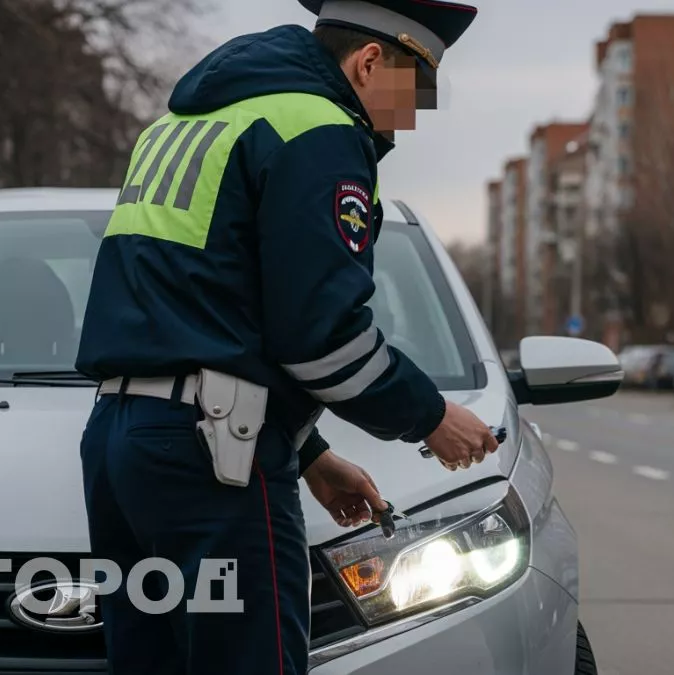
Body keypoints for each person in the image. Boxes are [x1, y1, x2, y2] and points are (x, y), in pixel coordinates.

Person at [73, 1, 494, 673]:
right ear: (369, 62)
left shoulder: (188, 121)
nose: (413, 119)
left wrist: (311, 453)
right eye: (419, 93)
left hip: (121, 443)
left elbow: (206, 313)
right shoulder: (320, 129)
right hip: (211, 464)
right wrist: (432, 414)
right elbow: (321, 338)